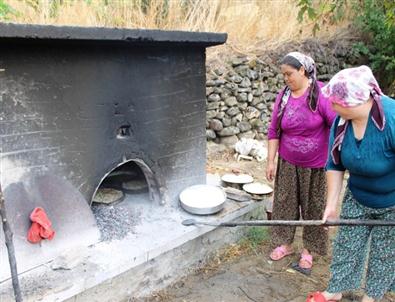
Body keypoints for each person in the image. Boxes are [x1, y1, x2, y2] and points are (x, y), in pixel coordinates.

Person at [307, 65, 395, 302]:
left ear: (350, 101)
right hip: (357, 197)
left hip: (391, 202)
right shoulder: (341, 124)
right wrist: (331, 206)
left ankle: (372, 296)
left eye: (334, 102)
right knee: (347, 244)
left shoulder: (391, 119)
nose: (331, 106)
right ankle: (336, 289)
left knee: (385, 253)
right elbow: (334, 164)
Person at [266, 51, 336, 273]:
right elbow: (273, 130)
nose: (286, 78)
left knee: (313, 208)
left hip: (315, 166)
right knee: (284, 204)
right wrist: (270, 161)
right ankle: (285, 244)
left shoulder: (320, 94)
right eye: (283, 75)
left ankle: (309, 250)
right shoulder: (284, 96)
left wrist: (337, 161)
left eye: (289, 74)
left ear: (303, 71)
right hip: (288, 162)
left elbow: (336, 125)